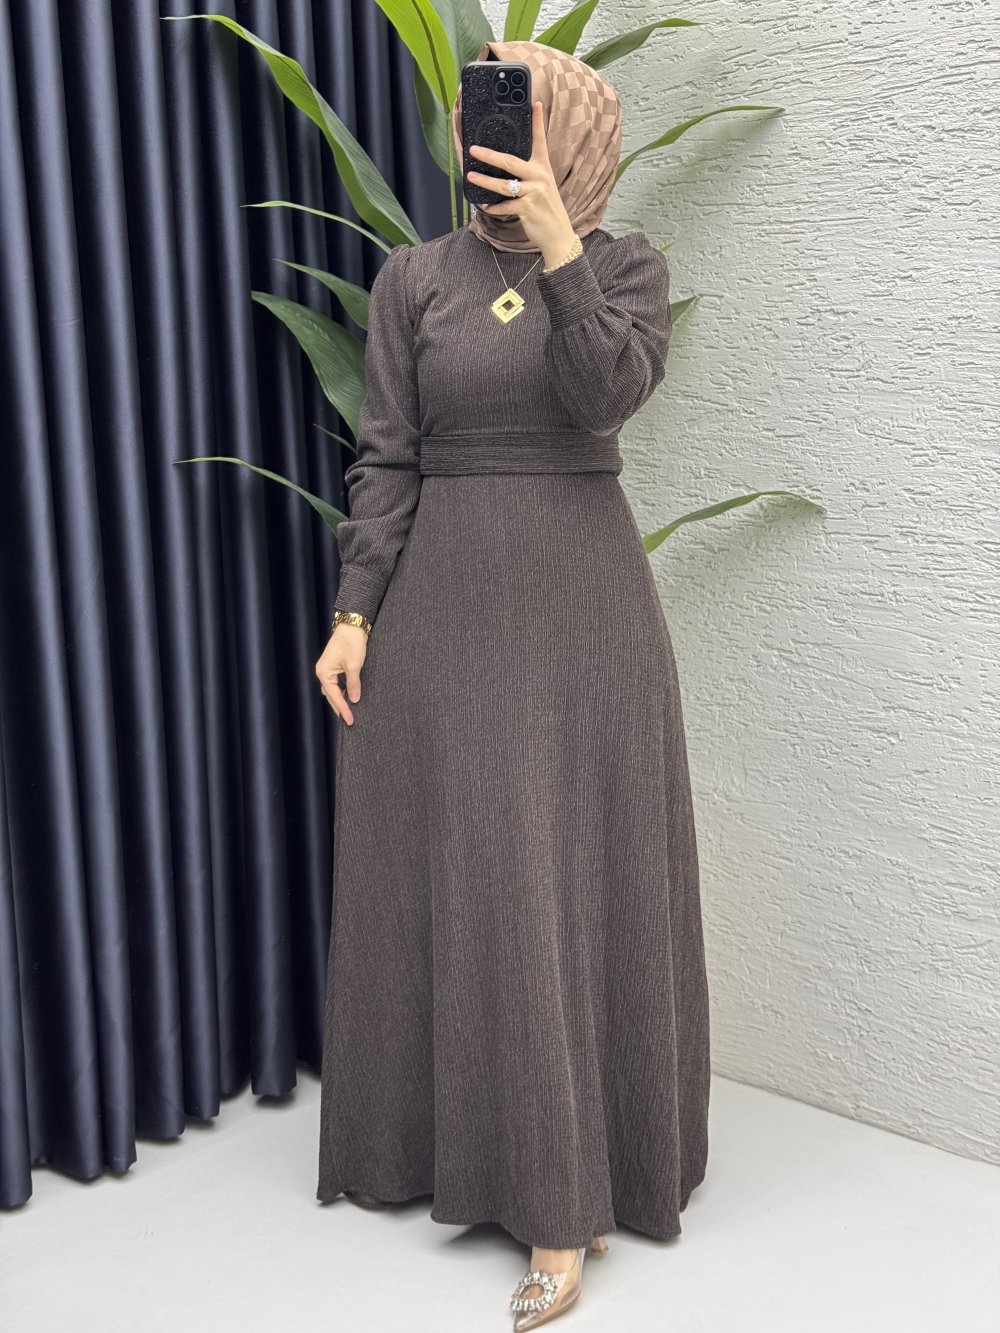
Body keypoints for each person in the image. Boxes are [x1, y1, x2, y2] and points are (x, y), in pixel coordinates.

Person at [314, 38, 711, 1330]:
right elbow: (388, 456)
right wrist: (355, 613)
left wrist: (556, 248)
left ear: (574, 136)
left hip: (584, 620)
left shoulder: (625, 269)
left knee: (562, 875)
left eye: (529, 121)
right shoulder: (413, 277)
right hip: (442, 617)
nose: (497, 142)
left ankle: (565, 1192)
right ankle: (457, 1147)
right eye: (487, 119)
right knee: (469, 871)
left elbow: (605, 396)